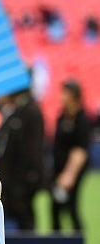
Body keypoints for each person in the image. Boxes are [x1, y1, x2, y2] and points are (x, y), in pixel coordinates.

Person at [0, 88, 45, 231]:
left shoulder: (30, 112)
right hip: (8, 180)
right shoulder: (10, 112)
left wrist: (28, 178)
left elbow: (32, 149)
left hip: (20, 181)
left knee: (23, 219)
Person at [51, 79, 91, 231]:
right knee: (55, 209)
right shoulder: (62, 117)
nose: (61, 96)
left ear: (74, 96)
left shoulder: (82, 120)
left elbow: (80, 151)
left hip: (72, 172)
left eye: (65, 93)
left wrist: (69, 175)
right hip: (58, 169)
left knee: (72, 208)